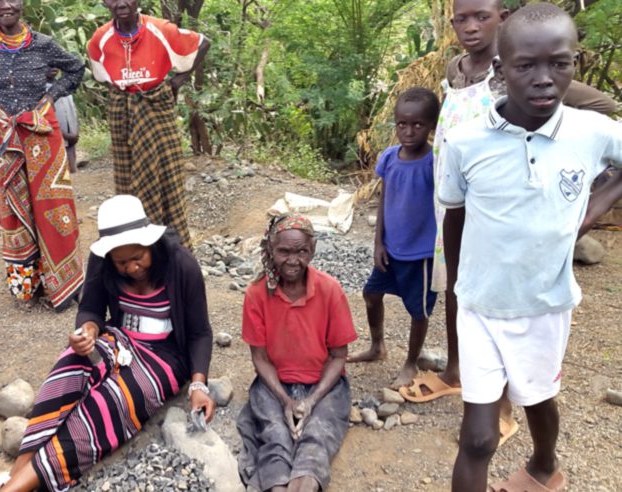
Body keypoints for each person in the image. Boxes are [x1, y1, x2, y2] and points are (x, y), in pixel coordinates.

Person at [401, 0, 619, 446]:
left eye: (481, 16)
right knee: (458, 287)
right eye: (461, 18)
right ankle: (460, 373)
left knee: (523, 350)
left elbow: (596, 110)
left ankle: (507, 414)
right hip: (463, 200)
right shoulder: (456, 72)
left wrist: (589, 208)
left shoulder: (547, 86)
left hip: (525, 231)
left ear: (501, 20)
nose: (470, 27)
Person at [1, 195, 216, 492]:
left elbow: (200, 333)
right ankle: (20, 468)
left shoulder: (181, 264)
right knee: (70, 363)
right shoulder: (102, 261)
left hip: (165, 357)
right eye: (122, 262)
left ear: (150, 245)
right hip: (120, 338)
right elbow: (90, 309)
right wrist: (88, 331)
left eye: (138, 257)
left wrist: (198, 385)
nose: (132, 268)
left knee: (108, 402)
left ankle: (18, 486)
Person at [0, 0, 86, 308]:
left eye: (12, 0)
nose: (6, 6)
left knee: (54, 206)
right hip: (6, 137)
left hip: (43, 134)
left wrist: (51, 96)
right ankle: (28, 287)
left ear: (22, 4)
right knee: (14, 205)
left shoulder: (42, 44)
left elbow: (76, 68)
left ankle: (64, 284)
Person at [237, 213, 357, 492]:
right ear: (271, 249)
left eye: (301, 251)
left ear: (312, 250)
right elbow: (260, 358)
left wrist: (311, 400)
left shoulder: (330, 290)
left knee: (316, 438)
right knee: (275, 436)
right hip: (274, 385)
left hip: (324, 386)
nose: (293, 260)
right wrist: (286, 400)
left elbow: (339, 356)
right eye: (284, 251)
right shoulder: (257, 294)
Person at [87, 0, 211, 249]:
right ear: (105, 3)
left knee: (168, 175)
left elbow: (203, 43)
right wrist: (124, 90)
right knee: (127, 177)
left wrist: (177, 81)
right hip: (122, 111)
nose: (121, 3)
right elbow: (102, 75)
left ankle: (174, 248)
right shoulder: (100, 38)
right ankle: (135, 244)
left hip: (156, 106)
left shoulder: (160, 28)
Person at [348, 88, 441, 389]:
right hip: (391, 249)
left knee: (418, 310)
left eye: (418, 125)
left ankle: (411, 362)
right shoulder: (389, 157)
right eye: (402, 124)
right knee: (371, 294)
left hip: (421, 254)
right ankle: (377, 346)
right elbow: (384, 201)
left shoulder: (435, 162)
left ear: (432, 126)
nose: (409, 131)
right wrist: (379, 242)